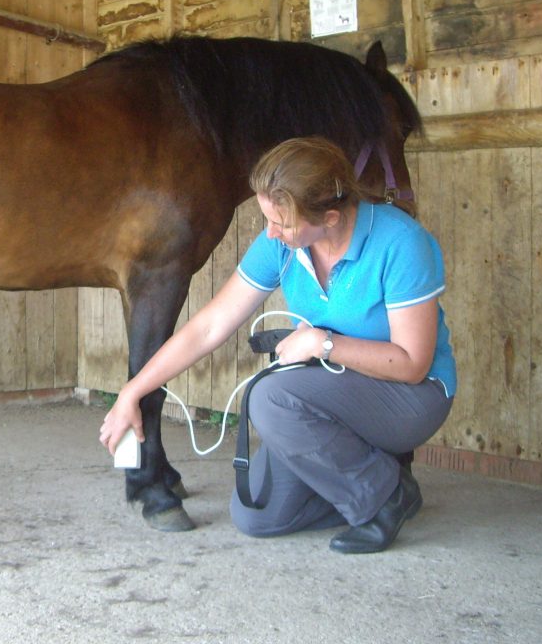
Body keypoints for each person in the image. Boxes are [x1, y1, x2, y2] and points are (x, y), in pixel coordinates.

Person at [99, 137, 456, 553]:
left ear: (332, 217)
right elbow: (209, 326)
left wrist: (322, 343)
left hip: (411, 398)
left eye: (282, 224)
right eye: (267, 218)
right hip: (335, 393)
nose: (270, 232)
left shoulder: (400, 243)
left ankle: (382, 497)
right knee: (257, 516)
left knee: (269, 397)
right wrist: (134, 390)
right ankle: (385, 477)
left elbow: (413, 363)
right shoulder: (281, 243)